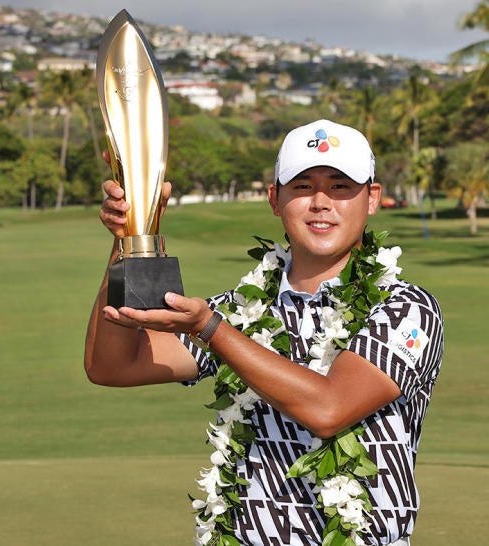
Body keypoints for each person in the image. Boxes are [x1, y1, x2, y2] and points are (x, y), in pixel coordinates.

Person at [85, 119, 444, 546]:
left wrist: (209, 329)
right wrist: (130, 235)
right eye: (303, 186)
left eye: (341, 187)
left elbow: (329, 408)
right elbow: (113, 365)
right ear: (275, 199)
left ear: (373, 199)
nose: (321, 203)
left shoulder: (406, 308)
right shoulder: (241, 310)